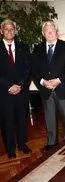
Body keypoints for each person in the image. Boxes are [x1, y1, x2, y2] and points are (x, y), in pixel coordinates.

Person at [32, 21, 65, 153]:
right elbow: (33, 69)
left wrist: (58, 80)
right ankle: (51, 141)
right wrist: (42, 81)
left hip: (63, 87)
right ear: (43, 33)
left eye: (52, 30)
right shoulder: (37, 48)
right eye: (47, 30)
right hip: (46, 89)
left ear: (57, 32)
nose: (49, 32)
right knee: (49, 117)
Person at [0, 19, 32, 159]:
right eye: (6, 29)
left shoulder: (23, 47)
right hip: (4, 92)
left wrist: (19, 85)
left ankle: (22, 144)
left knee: (21, 119)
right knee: (6, 121)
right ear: (1, 31)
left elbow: (28, 68)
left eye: (12, 29)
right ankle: (10, 148)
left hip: (21, 91)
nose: (9, 31)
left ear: (15, 31)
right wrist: (8, 86)